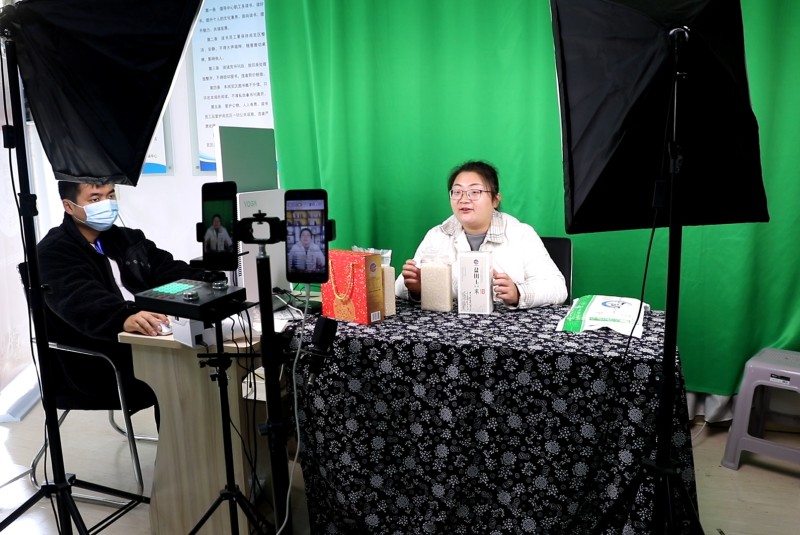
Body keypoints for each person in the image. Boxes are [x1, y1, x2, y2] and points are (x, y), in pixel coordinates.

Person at [37, 181, 206, 413]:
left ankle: (199, 434)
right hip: (98, 360)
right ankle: (183, 436)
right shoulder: (53, 251)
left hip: (147, 335)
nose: (106, 204)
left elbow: (167, 269)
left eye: (110, 196)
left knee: (206, 352)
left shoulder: (127, 238)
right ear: (69, 206)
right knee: (185, 367)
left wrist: (209, 280)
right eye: (95, 199)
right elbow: (80, 301)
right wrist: (124, 317)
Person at [395, 160, 567, 309]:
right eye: (457, 192)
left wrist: (518, 293)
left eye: (475, 192)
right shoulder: (438, 235)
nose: (464, 199)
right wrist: (417, 289)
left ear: (495, 199)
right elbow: (400, 286)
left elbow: (557, 288)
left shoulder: (521, 234)